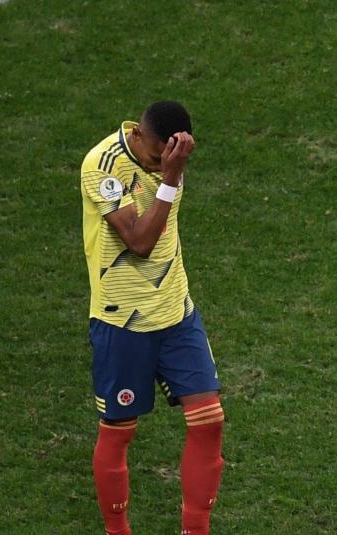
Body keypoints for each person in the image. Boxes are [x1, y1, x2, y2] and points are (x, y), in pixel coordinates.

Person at [79, 100, 224, 535]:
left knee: (209, 420)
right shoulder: (102, 166)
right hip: (123, 322)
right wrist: (172, 178)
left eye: (170, 159)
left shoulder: (170, 154)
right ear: (138, 135)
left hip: (176, 312)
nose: (161, 166)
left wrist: (170, 169)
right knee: (119, 430)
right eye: (157, 158)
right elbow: (140, 243)